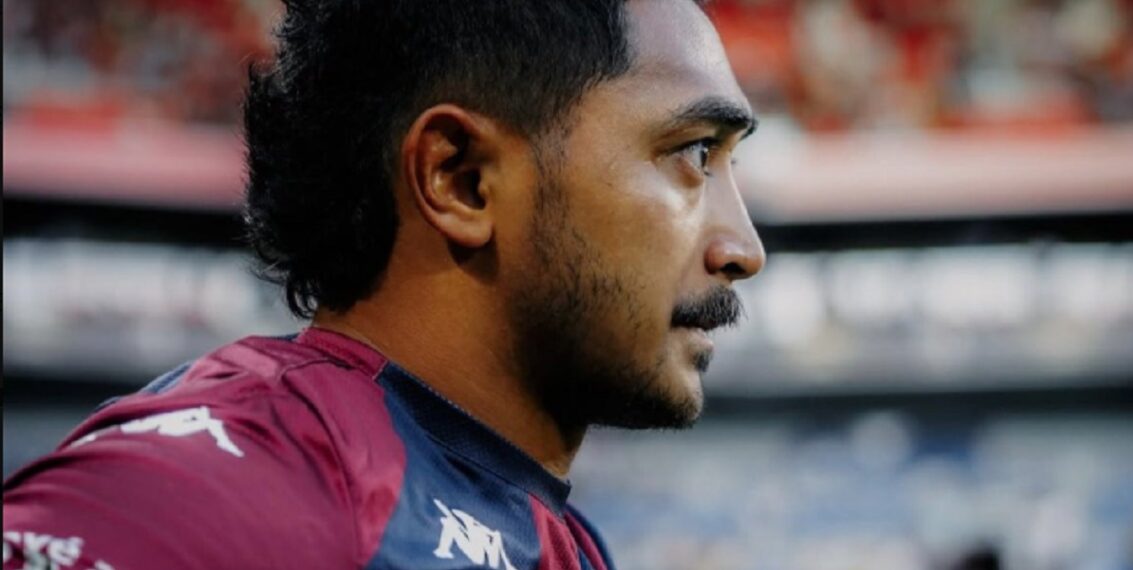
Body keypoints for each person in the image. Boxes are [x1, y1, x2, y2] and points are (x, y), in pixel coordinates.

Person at [2, 0, 764, 568]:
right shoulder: (238, 478)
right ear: (460, 179)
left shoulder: (549, 532)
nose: (744, 249)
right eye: (694, 153)